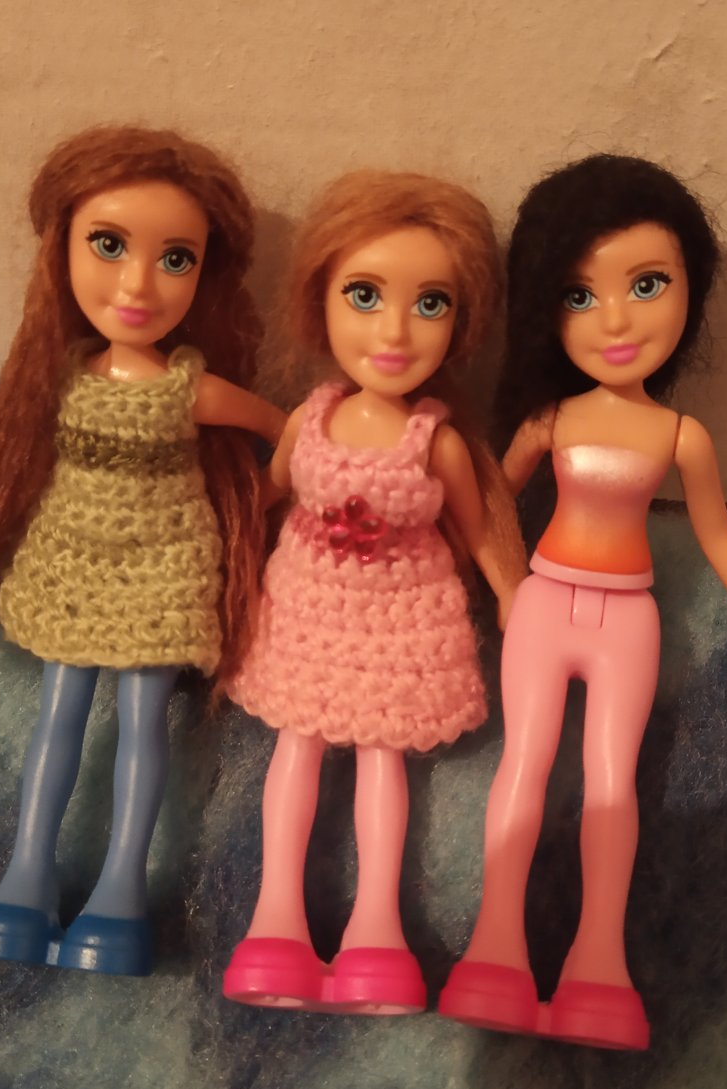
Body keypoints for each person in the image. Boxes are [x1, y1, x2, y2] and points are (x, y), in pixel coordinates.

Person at [439, 153, 727, 1048]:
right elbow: (488, 501)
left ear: (690, 289)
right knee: (523, 765)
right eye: (580, 295)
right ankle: (495, 948)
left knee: (610, 784)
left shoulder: (682, 434)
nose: (618, 319)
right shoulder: (550, 421)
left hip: (628, 615)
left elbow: (716, 533)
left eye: (647, 284)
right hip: (545, 603)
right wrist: (494, 580)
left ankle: (598, 961)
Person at [0, 125, 285, 976]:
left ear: (204, 273)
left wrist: (280, 496)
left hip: (165, 567)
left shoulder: (188, 388)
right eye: (108, 245)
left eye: (176, 258)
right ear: (61, 247)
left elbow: (287, 430)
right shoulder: (54, 381)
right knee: (57, 720)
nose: (137, 284)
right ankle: (25, 876)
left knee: (141, 727)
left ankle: (120, 892)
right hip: (69, 564)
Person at [223, 169, 526, 1014]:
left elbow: (478, 530)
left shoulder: (437, 442)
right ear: (318, 299)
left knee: (382, 766)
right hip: (306, 612)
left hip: (401, 624)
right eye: (364, 295)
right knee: (295, 753)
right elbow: (267, 492)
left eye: (430, 303)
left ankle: (377, 930)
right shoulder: (310, 419)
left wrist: (513, 591)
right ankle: (275, 920)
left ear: (461, 324)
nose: (394, 330)